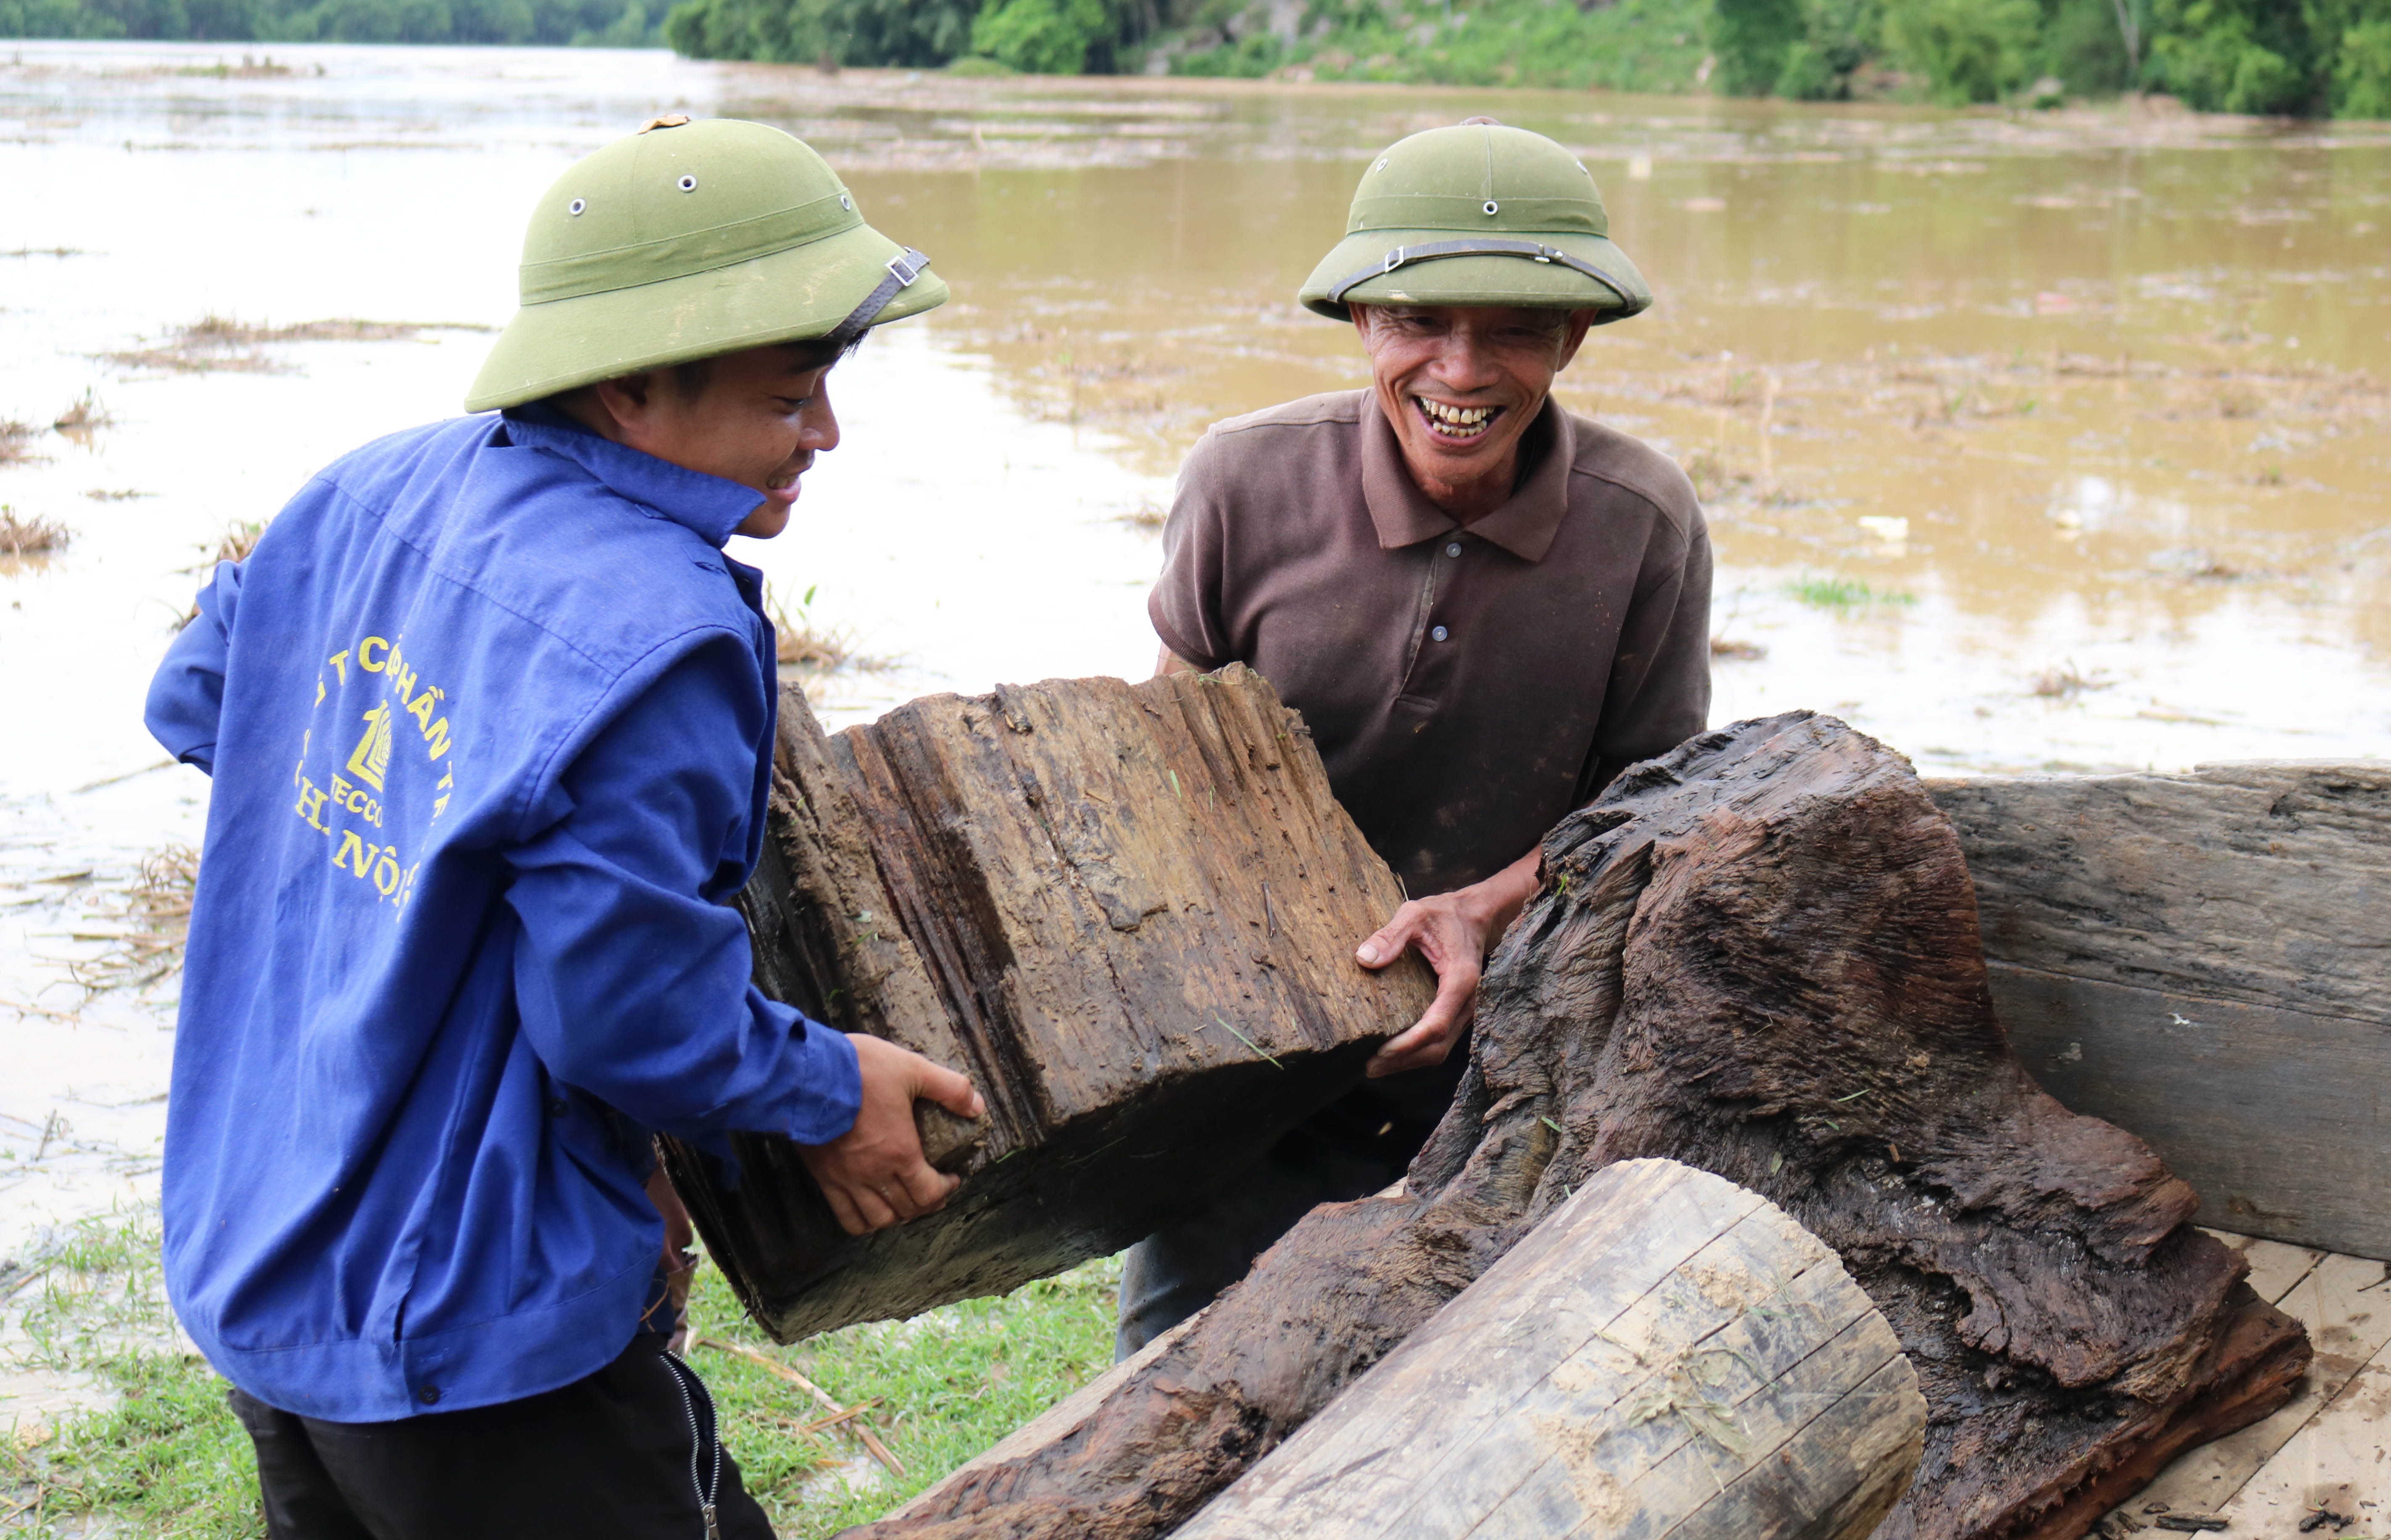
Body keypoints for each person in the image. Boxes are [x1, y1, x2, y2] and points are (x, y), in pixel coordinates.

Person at [143, 117, 977, 1540]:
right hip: (471, 1330)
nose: (826, 434)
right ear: (634, 389)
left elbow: (202, 699)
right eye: (792, 398)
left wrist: (407, 835)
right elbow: (627, 1016)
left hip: (264, 1248)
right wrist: (831, 1089)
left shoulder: (370, 483)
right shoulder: (660, 633)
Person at [1120, 119, 1713, 1357]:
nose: (1462, 368)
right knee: (1177, 1364)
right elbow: (1170, 745)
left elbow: (1650, 804)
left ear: (1575, 336)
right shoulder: (1242, 481)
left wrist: (1479, 914)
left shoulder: (1643, 523)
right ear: (1360, 326)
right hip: (1248, 1038)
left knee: (1462, 1373)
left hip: (1500, 1043)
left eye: (1512, 328)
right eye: (1422, 322)